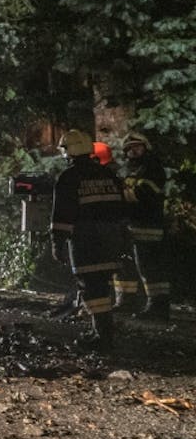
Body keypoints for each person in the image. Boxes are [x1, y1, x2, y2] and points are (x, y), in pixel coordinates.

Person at [51, 128, 131, 349]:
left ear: (69, 151)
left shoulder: (69, 178)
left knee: (90, 286)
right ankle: (103, 332)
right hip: (111, 237)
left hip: (86, 240)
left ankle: (102, 337)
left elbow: (62, 215)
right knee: (102, 285)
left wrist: (57, 243)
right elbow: (121, 208)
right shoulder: (108, 174)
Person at [117, 131, 172, 321]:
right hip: (128, 225)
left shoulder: (153, 168)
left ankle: (158, 305)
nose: (133, 150)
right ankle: (125, 300)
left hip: (148, 224)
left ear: (145, 148)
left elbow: (146, 194)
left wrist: (121, 196)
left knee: (150, 265)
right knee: (124, 263)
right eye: (129, 148)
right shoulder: (124, 170)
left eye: (137, 146)